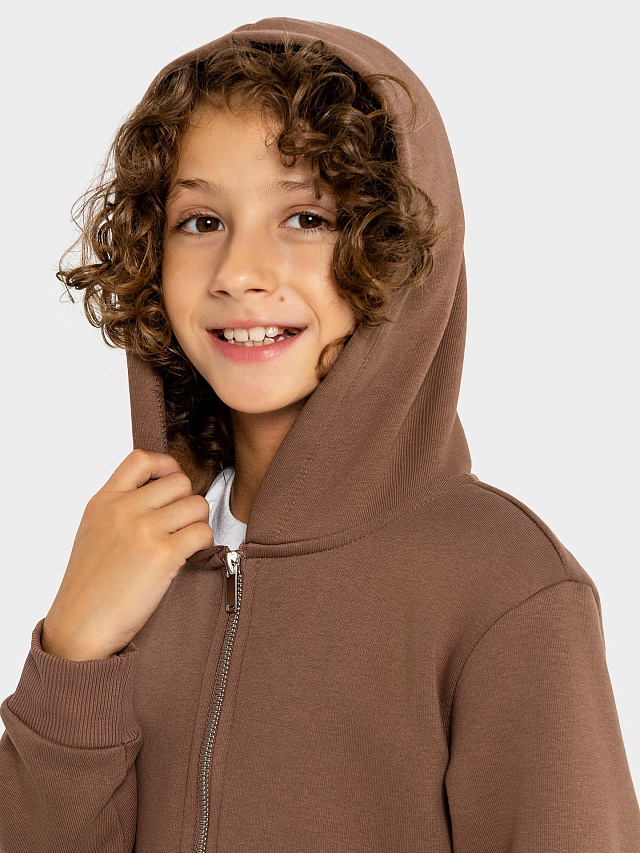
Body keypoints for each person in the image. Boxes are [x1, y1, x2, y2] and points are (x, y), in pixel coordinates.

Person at [1, 16, 638, 853]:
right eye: (200, 220)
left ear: (395, 247)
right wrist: (73, 654)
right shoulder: (132, 560)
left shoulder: (506, 587)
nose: (240, 272)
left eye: (306, 217)